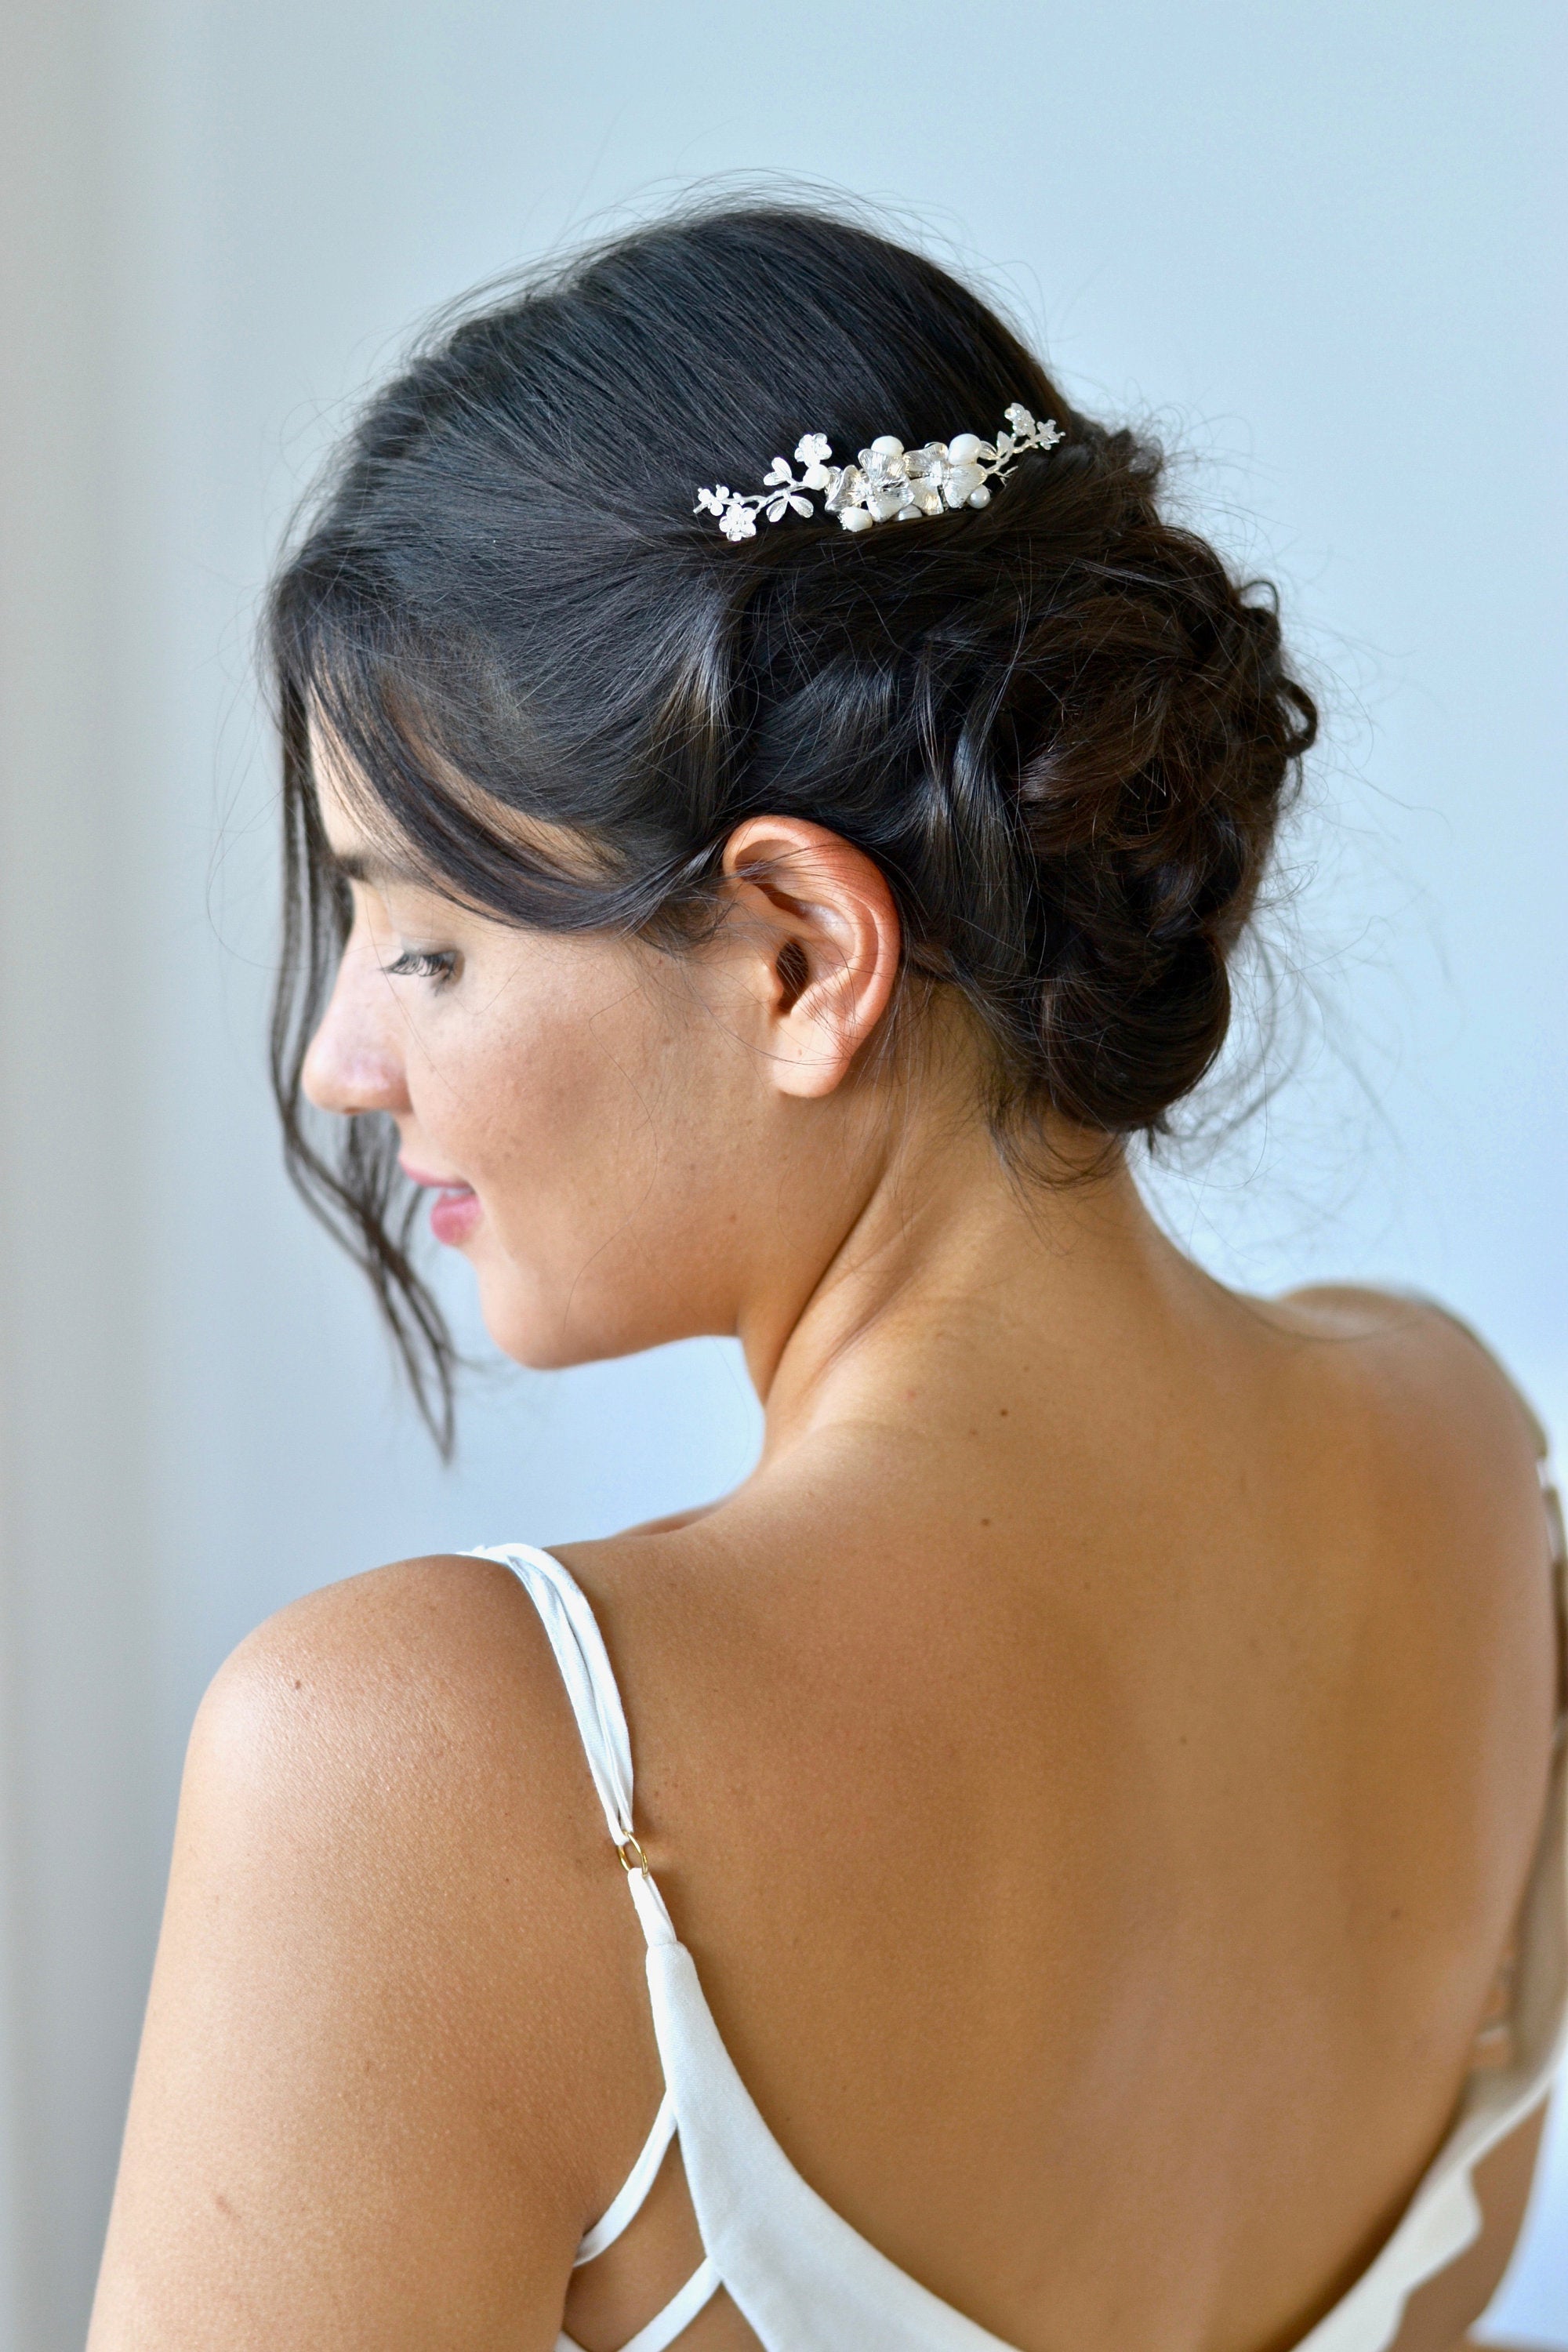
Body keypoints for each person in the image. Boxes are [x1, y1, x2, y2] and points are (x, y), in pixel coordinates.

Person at [89, 204, 1564, 2352]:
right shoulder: (1467, 1461)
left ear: (801, 957)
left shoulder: (439, 1773)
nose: (342, 1060)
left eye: (422, 936)